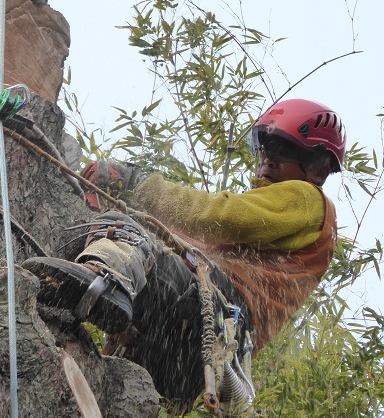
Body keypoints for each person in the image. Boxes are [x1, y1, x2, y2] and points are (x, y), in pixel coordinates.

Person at [22, 98, 345, 410]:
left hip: (208, 315)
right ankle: (69, 286)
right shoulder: (269, 233)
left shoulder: (305, 197)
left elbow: (218, 216)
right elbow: (184, 242)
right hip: (193, 359)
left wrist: (137, 183)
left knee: (125, 230)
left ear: (317, 168)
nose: (269, 158)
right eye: (266, 147)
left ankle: (96, 284)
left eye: (285, 150)